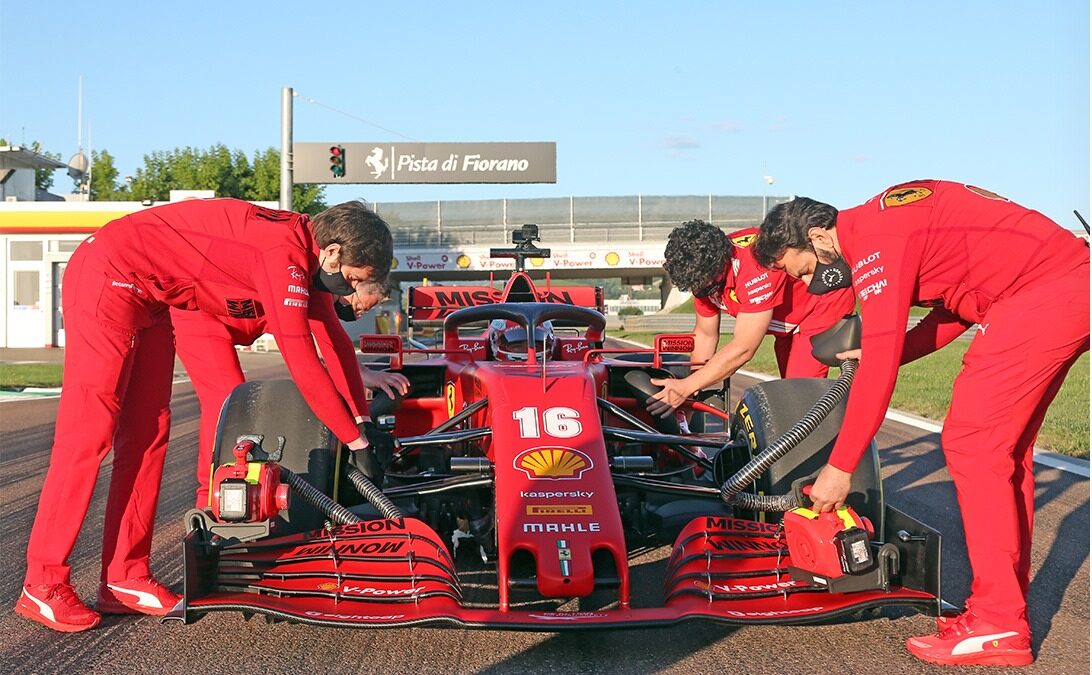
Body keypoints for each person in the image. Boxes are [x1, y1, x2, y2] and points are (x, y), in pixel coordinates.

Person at [17, 198, 394, 633]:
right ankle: (42, 582)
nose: (347, 291)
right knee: (89, 434)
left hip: (155, 300)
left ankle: (124, 576)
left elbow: (334, 343)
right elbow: (301, 357)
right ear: (331, 251)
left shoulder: (307, 253)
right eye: (350, 280)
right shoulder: (284, 254)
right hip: (108, 275)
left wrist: (362, 423)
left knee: (149, 433)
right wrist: (354, 441)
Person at [753, 180, 1089, 667]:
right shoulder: (885, 224)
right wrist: (879, 351)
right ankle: (998, 612)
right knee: (1003, 455)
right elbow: (956, 307)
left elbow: (882, 366)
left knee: (972, 443)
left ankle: (999, 624)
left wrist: (840, 466)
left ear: (819, 236)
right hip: (1057, 285)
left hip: (1044, 291)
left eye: (801, 269)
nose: (807, 284)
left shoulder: (874, 240)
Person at [173, 286, 410, 509]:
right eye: (361, 307)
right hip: (199, 314)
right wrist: (356, 433)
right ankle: (208, 502)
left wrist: (363, 385)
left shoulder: (317, 293)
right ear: (351, 283)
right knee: (229, 406)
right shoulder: (312, 286)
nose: (358, 316)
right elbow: (314, 358)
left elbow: (327, 343)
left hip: (240, 310)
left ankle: (249, 495)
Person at [647, 219, 854, 417]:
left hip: (820, 306)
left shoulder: (755, 266)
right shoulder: (700, 271)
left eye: (707, 287)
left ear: (722, 264)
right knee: (788, 391)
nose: (702, 292)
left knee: (799, 396)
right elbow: (705, 335)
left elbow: (744, 349)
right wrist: (692, 389)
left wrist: (687, 386)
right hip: (786, 315)